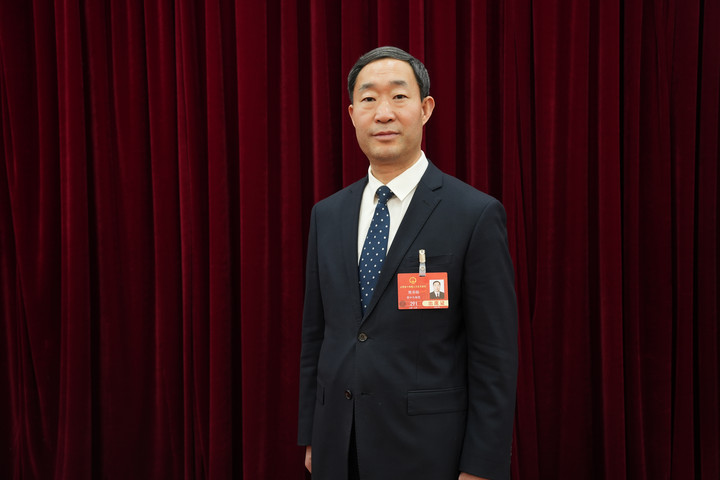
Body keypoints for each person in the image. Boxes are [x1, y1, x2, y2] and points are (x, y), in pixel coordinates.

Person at [297, 46, 518, 480]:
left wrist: (482, 466)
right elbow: (316, 337)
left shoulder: (473, 214)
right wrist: (311, 435)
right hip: (338, 446)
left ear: (426, 108)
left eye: (399, 96)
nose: (383, 113)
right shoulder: (327, 215)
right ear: (352, 114)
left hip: (431, 453)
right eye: (368, 99)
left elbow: (494, 355)